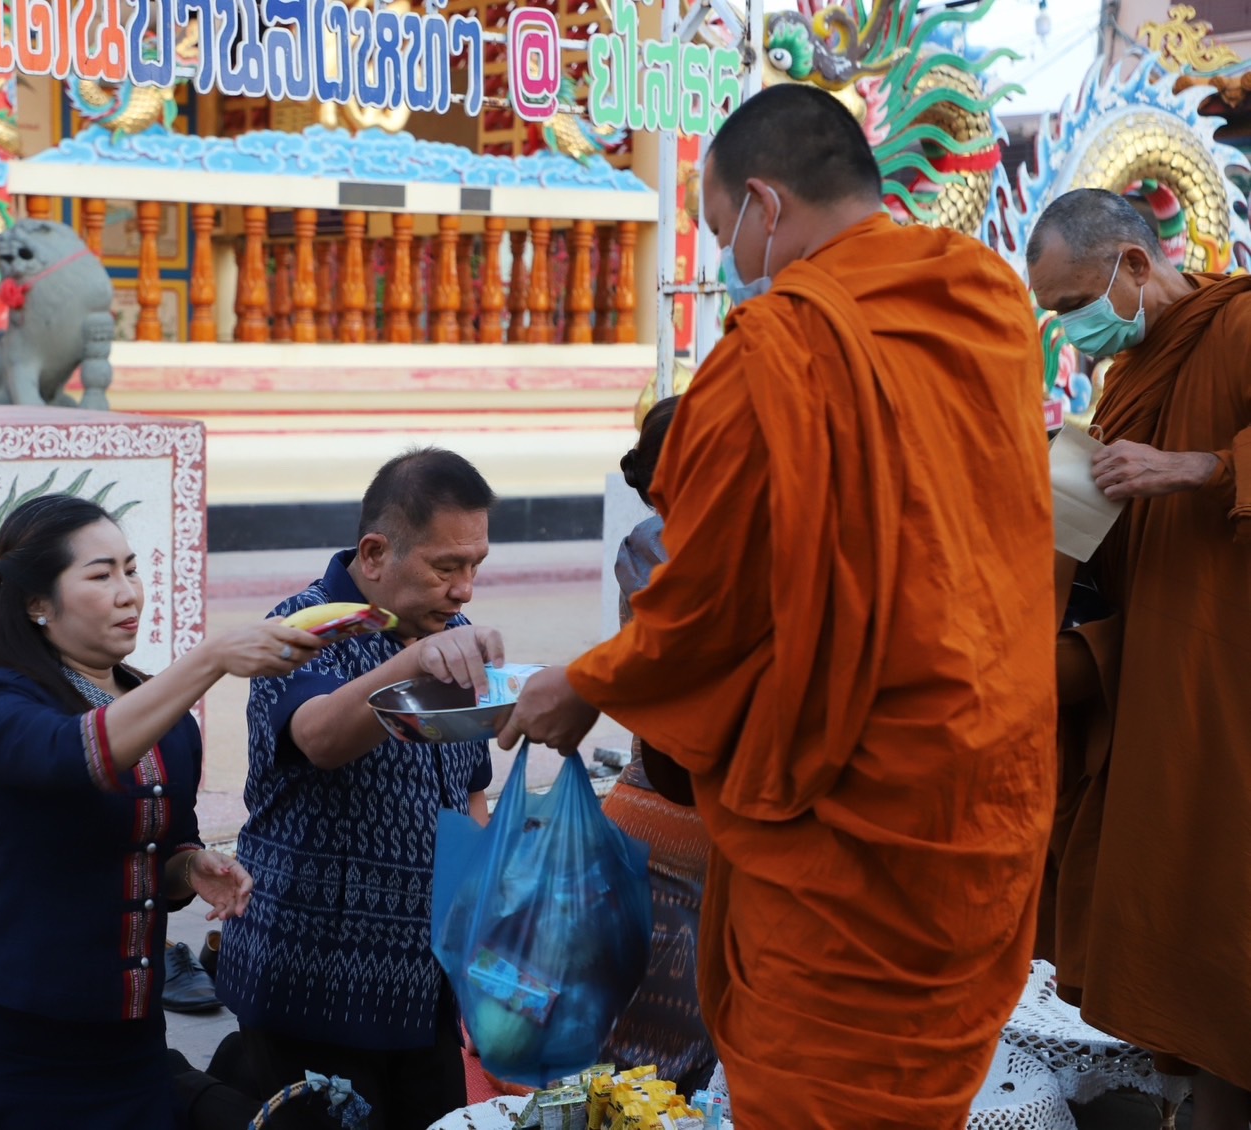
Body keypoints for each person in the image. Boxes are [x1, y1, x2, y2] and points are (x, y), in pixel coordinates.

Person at [499, 84, 1057, 1129]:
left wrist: (584, 683)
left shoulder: (774, 352)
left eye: (722, 232)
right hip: (986, 788)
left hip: (851, 814)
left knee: (816, 1093)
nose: (731, 259)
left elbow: (703, 608)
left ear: (764, 204)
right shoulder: (985, 301)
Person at [0, 493, 323, 1129]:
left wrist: (191, 867)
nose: (129, 593)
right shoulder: (0, 705)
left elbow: (168, 846)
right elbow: (79, 757)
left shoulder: (166, 718)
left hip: (128, 1039)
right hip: (11, 1038)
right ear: (37, 603)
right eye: (101, 575)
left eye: (131, 570)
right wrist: (212, 657)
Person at [1026, 188, 1251, 1127]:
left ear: (1132, 263)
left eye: (1077, 302)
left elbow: (1188, 473)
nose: (1075, 329)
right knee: (1187, 939)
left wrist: (1200, 467)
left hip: (1232, 683)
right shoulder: (1128, 379)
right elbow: (1099, 542)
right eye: (1057, 313)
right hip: (1160, 683)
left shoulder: (1238, 326)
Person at [215, 447, 504, 1130]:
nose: (464, 590)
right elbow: (320, 736)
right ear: (375, 553)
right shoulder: (302, 626)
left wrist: (485, 907)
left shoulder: (452, 636)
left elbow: (471, 791)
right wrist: (411, 663)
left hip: (424, 990)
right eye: (446, 568)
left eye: (475, 566)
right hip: (313, 990)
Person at [597, 396, 716, 1094]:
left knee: (652, 1076)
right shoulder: (661, 547)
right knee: (660, 1079)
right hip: (680, 831)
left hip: (679, 823)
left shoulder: (650, 543)